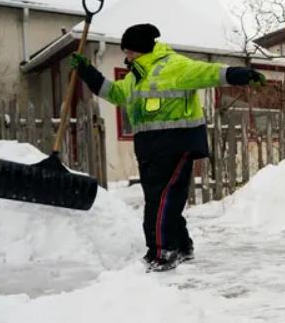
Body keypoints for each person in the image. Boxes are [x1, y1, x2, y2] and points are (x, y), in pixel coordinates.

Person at [70, 23, 266, 272]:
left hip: (177, 142)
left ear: (141, 50)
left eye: (129, 52)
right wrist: (88, 72)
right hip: (149, 146)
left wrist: (241, 74)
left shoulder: (173, 66)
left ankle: (162, 251)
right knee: (161, 198)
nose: (126, 56)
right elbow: (116, 93)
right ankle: (182, 246)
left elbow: (208, 72)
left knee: (162, 199)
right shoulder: (135, 77)